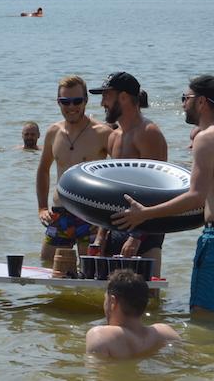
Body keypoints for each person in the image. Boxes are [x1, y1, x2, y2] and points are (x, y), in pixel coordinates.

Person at [114, 75, 214, 315]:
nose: (183, 103)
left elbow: (196, 196)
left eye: (186, 98)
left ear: (201, 102)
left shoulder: (207, 137)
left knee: (204, 317)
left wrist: (146, 214)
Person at [89, 72, 168, 276]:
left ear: (123, 97)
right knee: (113, 296)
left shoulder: (148, 133)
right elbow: (111, 191)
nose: (102, 103)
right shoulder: (114, 137)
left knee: (147, 298)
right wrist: (100, 236)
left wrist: (136, 236)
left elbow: (158, 190)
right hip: (116, 225)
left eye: (106, 96)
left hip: (147, 230)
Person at [36, 75, 111, 260]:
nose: (71, 107)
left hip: (91, 214)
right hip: (60, 213)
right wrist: (42, 207)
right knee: (47, 267)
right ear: (58, 102)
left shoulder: (103, 133)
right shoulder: (54, 132)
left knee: (90, 274)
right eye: (65, 101)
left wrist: (107, 219)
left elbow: (119, 176)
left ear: (85, 100)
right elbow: (43, 170)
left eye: (77, 101)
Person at [85, 269, 179, 359]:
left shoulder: (100, 336)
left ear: (113, 302)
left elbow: (96, 373)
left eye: (105, 298)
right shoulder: (165, 333)